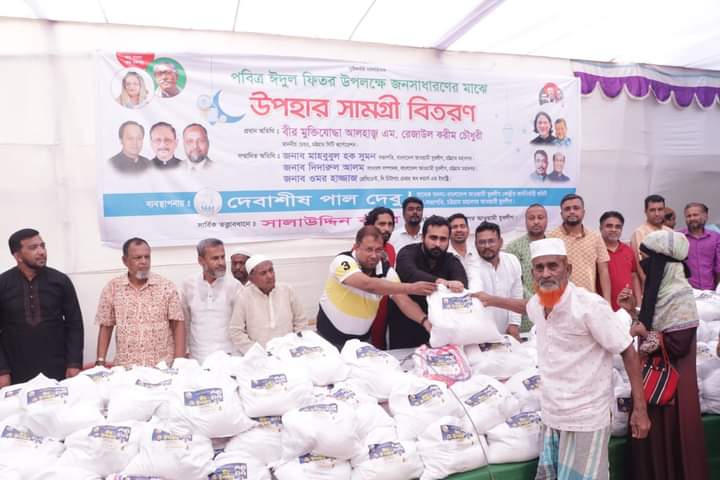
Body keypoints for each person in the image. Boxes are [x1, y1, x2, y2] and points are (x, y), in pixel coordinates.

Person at [528, 238, 650, 480]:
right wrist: (491, 300)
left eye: (553, 266)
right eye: (539, 268)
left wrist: (640, 410)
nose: (546, 273)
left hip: (586, 417)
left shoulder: (589, 306)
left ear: (568, 269)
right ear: (533, 273)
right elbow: (524, 306)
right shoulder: (537, 303)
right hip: (552, 414)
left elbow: (627, 350)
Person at [626, 230, 709, 480]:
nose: (643, 265)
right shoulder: (659, 292)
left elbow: (678, 345)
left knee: (674, 444)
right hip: (653, 382)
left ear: (662, 263)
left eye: (647, 259)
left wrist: (645, 332)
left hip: (674, 389)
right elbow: (652, 327)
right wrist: (632, 312)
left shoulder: (679, 295)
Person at [316, 226, 437, 349]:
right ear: (356, 247)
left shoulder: (386, 271)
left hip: (362, 341)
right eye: (369, 249)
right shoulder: (343, 260)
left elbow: (404, 301)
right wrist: (412, 288)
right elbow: (367, 284)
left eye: (378, 250)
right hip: (328, 340)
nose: (374, 256)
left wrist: (425, 321)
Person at [0, 229, 83, 386]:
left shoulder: (60, 281)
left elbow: (74, 324)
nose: (41, 252)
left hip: (57, 368)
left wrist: (74, 363)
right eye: (33, 248)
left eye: (42, 246)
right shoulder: (3, 284)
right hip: (15, 370)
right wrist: (2, 371)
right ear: (17, 256)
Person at [95, 237, 185, 368]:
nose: (144, 261)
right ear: (125, 261)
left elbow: (178, 324)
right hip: (126, 368)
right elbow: (106, 325)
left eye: (147, 257)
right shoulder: (113, 288)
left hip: (161, 366)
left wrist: (180, 361)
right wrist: (100, 361)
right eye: (137, 258)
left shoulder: (166, 287)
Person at [389, 216, 468, 349]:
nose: (438, 244)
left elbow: (461, 283)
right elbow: (410, 273)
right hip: (405, 328)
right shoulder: (407, 252)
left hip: (440, 332)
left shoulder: (451, 260)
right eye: (433, 238)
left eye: (443, 239)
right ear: (422, 237)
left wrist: (457, 285)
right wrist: (441, 282)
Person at [229, 255, 308, 353]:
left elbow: (301, 321)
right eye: (263, 273)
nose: (270, 276)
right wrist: (256, 351)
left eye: (271, 270)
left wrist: (297, 344)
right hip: (260, 355)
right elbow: (236, 331)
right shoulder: (244, 297)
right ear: (251, 278)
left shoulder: (287, 290)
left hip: (290, 351)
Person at [181, 238, 241, 363]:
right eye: (215, 258)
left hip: (229, 357)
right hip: (197, 358)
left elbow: (240, 326)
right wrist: (184, 351)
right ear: (201, 260)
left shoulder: (235, 286)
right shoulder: (188, 285)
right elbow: (185, 322)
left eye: (222, 257)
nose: (221, 263)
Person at [548, 194, 612, 303]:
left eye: (576, 208)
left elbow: (604, 271)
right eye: (567, 209)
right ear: (561, 214)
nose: (572, 212)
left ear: (583, 212)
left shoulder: (595, 238)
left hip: (589, 300)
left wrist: (607, 301)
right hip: (560, 300)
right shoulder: (551, 238)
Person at [466, 222, 523, 340]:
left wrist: (514, 324)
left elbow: (516, 295)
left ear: (500, 242)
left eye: (491, 241)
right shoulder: (471, 265)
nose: (487, 246)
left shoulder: (512, 260)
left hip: (508, 333)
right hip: (480, 334)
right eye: (482, 242)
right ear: (475, 244)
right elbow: (478, 297)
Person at [505, 203, 547, 331]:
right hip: (525, 312)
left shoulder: (555, 245)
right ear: (525, 221)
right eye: (531, 218)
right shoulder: (513, 247)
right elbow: (514, 282)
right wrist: (536, 302)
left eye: (540, 217)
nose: (536, 221)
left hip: (553, 308)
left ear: (546, 220)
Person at [365, 206, 397, 349]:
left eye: (390, 224)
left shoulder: (390, 249)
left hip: (385, 307)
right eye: (382, 224)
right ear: (371, 226)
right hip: (365, 308)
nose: (386, 229)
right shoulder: (359, 250)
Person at [598, 211, 642, 311]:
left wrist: (639, 305)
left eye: (618, 227)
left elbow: (634, 276)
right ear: (600, 228)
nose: (614, 229)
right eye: (609, 226)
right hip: (603, 309)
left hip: (627, 310)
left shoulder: (628, 250)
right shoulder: (595, 251)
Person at [680, 202, 720, 290]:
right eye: (688, 216)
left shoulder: (715, 238)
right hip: (686, 291)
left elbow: (718, 267)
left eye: (695, 215)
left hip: (710, 291)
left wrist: (717, 291)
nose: (692, 218)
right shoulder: (679, 237)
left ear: (705, 216)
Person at [631, 194, 671, 261]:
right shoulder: (640, 233)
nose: (657, 214)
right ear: (646, 212)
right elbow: (641, 261)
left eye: (660, 209)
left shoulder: (670, 232)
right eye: (652, 210)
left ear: (664, 211)